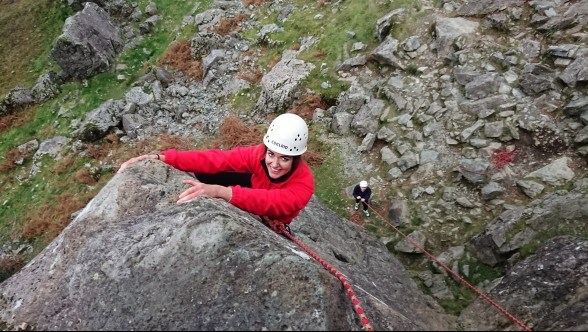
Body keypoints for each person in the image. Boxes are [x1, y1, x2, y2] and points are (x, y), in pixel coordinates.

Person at [117, 113, 315, 229]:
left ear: (296, 158)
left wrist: (220, 192)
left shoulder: (303, 185)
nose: (274, 163)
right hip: (256, 186)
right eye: (272, 154)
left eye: (285, 158)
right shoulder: (260, 154)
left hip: (273, 217)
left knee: (215, 184)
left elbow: (269, 203)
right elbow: (217, 159)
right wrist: (163, 158)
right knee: (207, 173)